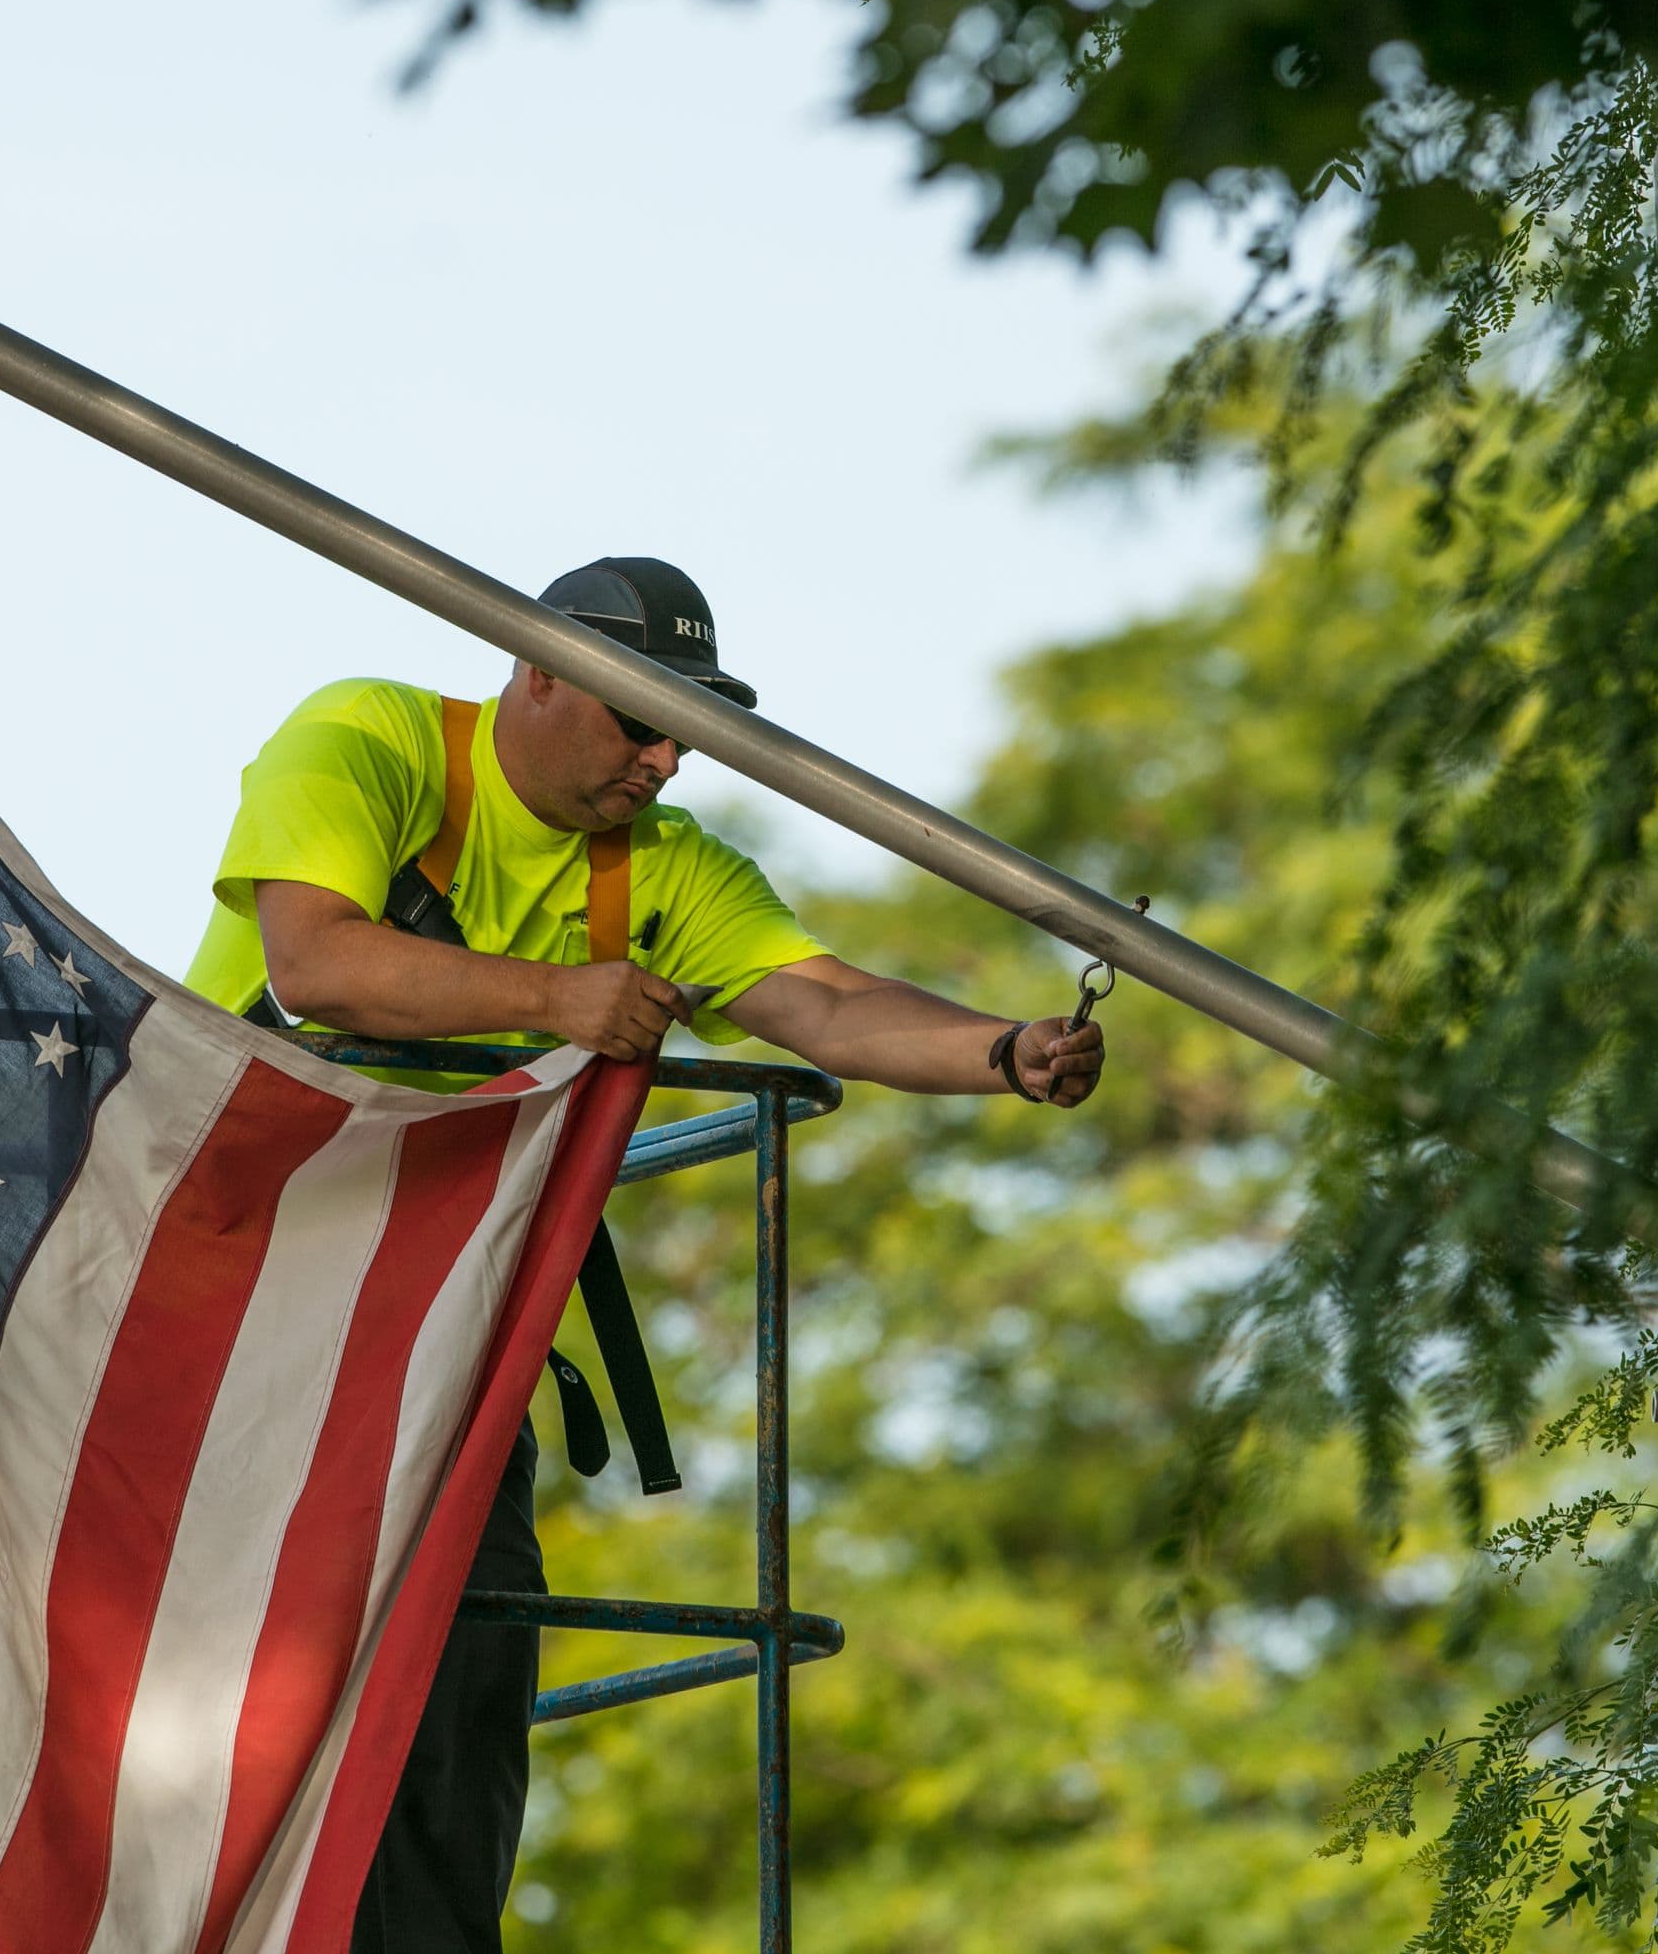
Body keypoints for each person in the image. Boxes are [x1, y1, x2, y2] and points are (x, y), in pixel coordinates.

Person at [180, 555, 1107, 1953]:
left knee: (469, 1649)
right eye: (641, 722)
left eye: (688, 731)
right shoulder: (371, 740)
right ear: (537, 672)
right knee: (193, 1663)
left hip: (435, 1322)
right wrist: (559, 997)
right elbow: (314, 963)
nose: (666, 760)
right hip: (216, 1282)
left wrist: (1005, 1052)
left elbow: (828, 1003)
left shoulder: (663, 872)